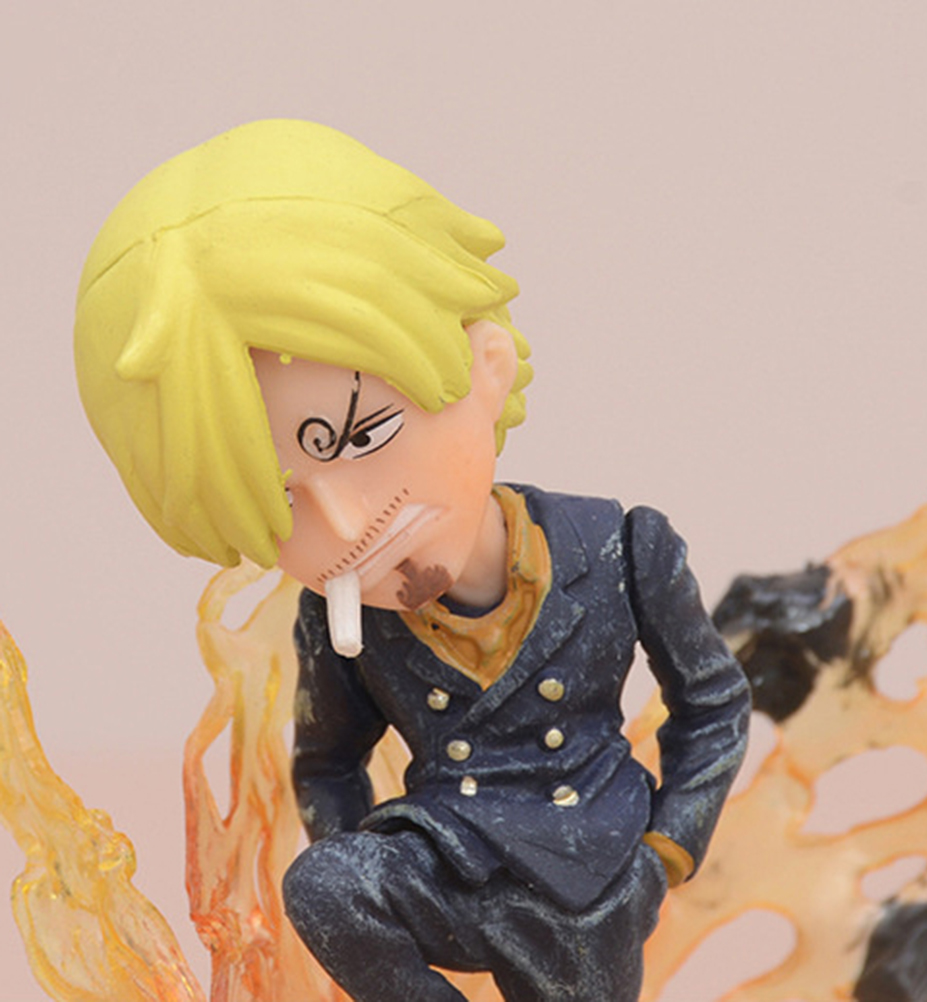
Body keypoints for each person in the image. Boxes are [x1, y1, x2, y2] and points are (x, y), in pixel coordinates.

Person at [75, 119, 751, 1002]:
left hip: (588, 874)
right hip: (446, 859)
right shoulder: (337, 615)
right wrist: (363, 861)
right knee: (323, 885)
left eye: (361, 436)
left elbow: (714, 703)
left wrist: (666, 851)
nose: (350, 523)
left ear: (486, 366)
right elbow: (327, 762)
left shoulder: (620, 548)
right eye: (281, 503)